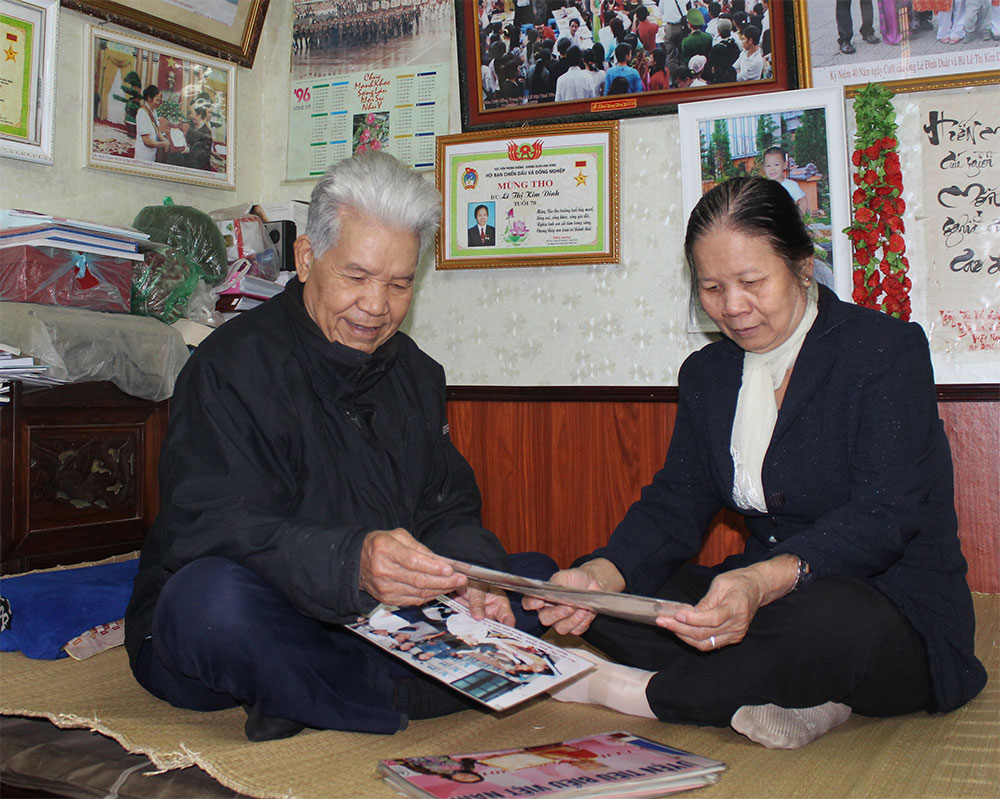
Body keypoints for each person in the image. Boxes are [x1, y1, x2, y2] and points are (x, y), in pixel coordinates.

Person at [525, 176, 986, 750]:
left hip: (888, 607)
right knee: (628, 594)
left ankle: (632, 692)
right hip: (761, 596)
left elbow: (885, 516)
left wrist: (761, 580)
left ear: (801, 265)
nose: (732, 307)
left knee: (826, 623)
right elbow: (678, 502)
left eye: (751, 282)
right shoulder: (708, 375)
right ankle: (797, 696)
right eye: (712, 288)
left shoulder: (883, 352)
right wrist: (601, 576)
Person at [124, 152, 555, 742]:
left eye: (399, 284)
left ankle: (305, 693)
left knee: (535, 578)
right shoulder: (230, 367)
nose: (377, 306)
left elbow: (446, 507)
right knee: (206, 604)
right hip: (266, 606)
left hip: (378, 619)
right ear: (307, 259)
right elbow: (211, 526)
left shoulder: (417, 375)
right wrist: (352, 562)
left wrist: (471, 579)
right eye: (356, 277)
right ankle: (411, 689)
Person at [761, 146, 807, 215]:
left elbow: (803, 200)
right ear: (763, 167)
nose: (772, 169)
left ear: (785, 165)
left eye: (776, 165)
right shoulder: (761, 188)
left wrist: (799, 218)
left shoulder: (791, 185)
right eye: (768, 166)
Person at [134, 85, 168, 162]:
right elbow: (147, 141)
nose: (159, 103)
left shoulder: (153, 111)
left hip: (152, 154)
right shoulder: (142, 113)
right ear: (149, 98)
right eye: (157, 100)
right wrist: (164, 144)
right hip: (143, 155)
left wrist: (165, 140)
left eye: (160, 101)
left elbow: (157, 131)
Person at [183, 104, 213, 171]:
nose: (190, 116)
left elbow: (201, 158)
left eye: (192, 113)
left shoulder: (206, 133)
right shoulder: (192, 127)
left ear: (199, 115)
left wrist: (188, 150)